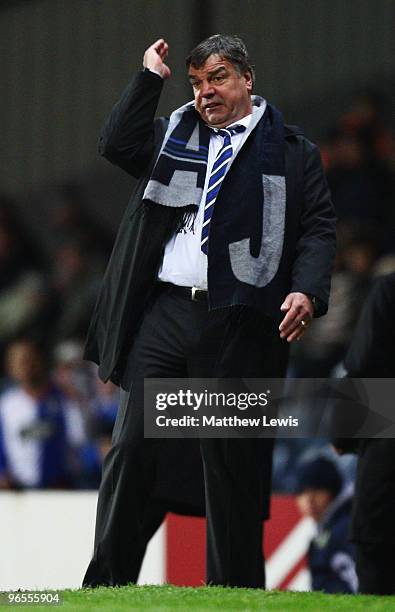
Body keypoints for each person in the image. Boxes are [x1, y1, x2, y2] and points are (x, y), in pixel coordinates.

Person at [83, 35, 336, 588]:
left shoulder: (293, 151)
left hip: (240, 319)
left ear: (248, 78)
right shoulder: (177, 133)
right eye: (196, 83)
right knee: (130, 447)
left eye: (217, 78)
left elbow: (317, 226)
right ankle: (103, 587)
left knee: (231, 464)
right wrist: (150, 78)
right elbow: (115, 144)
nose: (204, 93)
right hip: (166, 312)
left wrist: (308, 292)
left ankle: (238, 592)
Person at [334, 271, 395, 595]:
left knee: (378, 574)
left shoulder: (389, 289)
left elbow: (362, 365)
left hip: (387, 457)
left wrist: (342, 435)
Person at [0, 338, 86, 489]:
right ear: (10, 367)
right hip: (19, 493)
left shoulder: (65, 399)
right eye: (20, 361)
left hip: (63, 489)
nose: (27, 366)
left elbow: (81, 441)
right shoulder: (6, 406)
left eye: (31, 359)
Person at [296, 456, 357, 593]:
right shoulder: (328, 529)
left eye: (317, 491)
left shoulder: (346, 529)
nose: (309, 499)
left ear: (333, 491)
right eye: (303, 492)